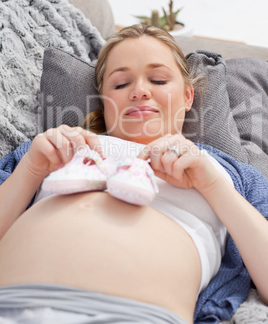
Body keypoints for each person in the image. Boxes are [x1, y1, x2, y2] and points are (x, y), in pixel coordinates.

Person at [0, 24, 268, 324]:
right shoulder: (51, 148)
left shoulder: (225, 172)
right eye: (120, 84)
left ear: (188, 96)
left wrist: (212, 184)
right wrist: (31, 170)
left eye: (158, 79)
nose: (139, 91)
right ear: (103, 100)